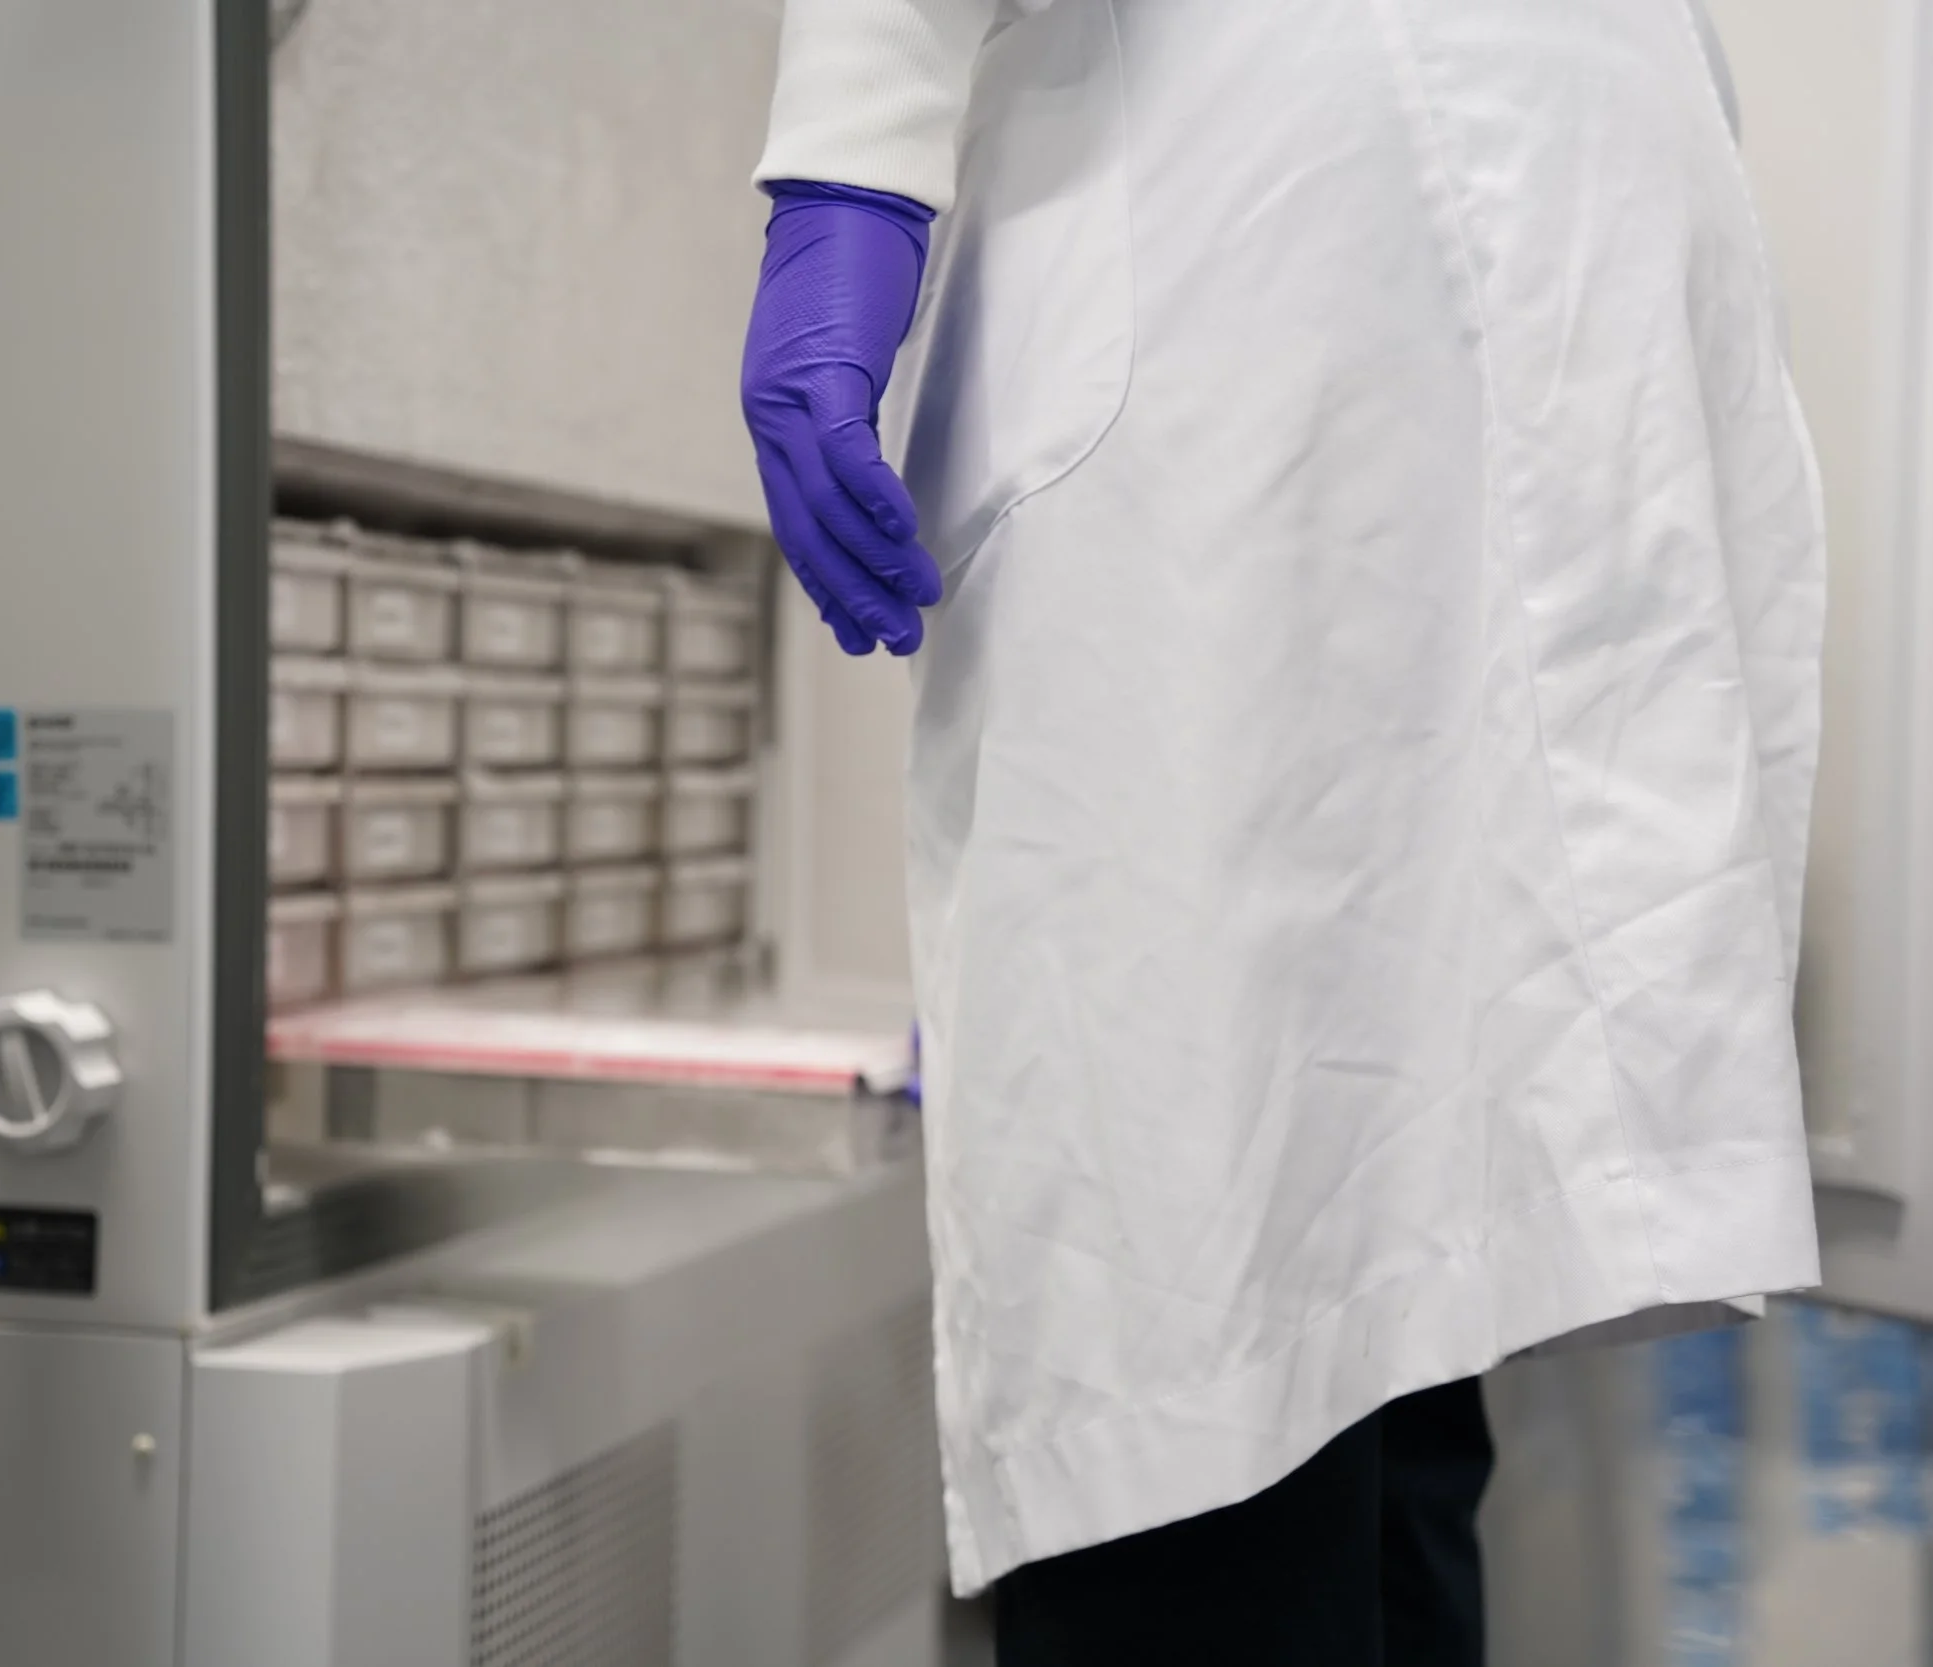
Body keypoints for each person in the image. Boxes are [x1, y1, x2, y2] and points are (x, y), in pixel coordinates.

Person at [738, 2, 1822, 1661]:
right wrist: (852, 156)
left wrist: (849, 169)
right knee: (1298, 1297)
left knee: (1314, 1305)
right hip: (1379, 253)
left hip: (1434, 264)